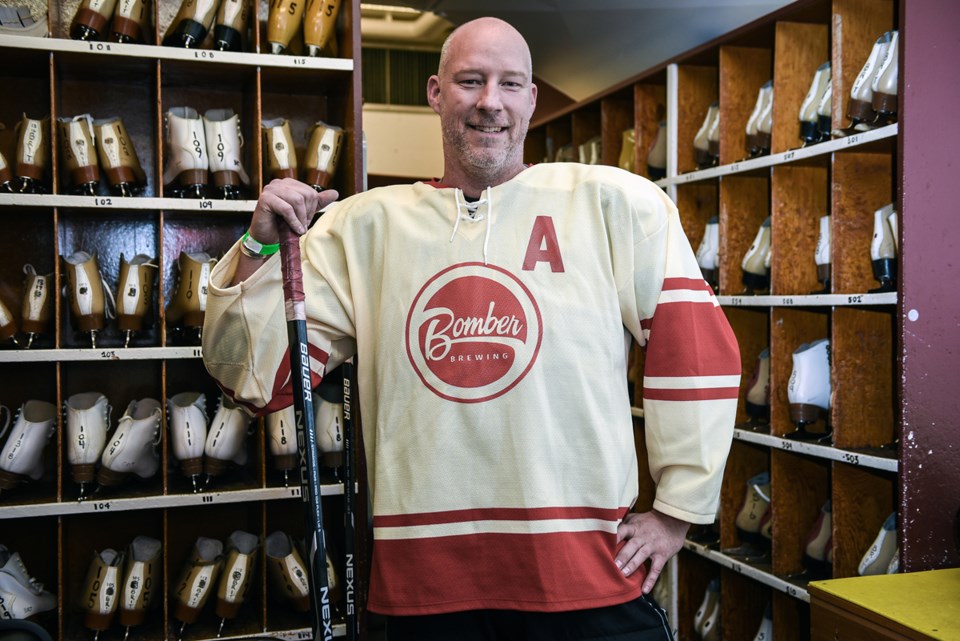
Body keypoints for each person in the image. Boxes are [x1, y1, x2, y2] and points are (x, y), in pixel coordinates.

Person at [202, 16, 741, 640]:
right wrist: (258, 248)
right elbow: (259, 377)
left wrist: (677, 511)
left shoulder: (617, 203)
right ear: (435, 93)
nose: (491, 101)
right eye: (470, 81)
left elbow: (695, 350)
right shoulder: (363, 226)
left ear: (532, 99)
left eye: (511, 84)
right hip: (424, 592)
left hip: (586, 581)